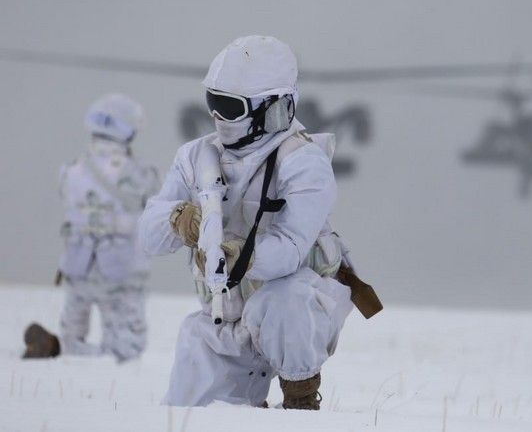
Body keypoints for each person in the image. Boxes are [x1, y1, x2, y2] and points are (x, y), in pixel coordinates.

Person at [137, 35, 380, 409]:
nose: (218, 117)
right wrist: (179, 221)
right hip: (222, 316)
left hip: (296, 312)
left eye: (230, 108)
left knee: (284, 299)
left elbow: (292, 250)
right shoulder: (196, 157)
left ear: (273, 108)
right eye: (213, 102)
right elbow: (148, 236)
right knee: (185, 415)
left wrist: (239, 257)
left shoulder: (303, 162)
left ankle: (300, 397)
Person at [23, 93, 160, 362]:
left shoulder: (72, 169)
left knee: (73, 336)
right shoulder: (138, 173)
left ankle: (57, 347)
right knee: (127, 349)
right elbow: (156, 205)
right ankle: (93, 358)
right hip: (121, 269)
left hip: (77, 263)